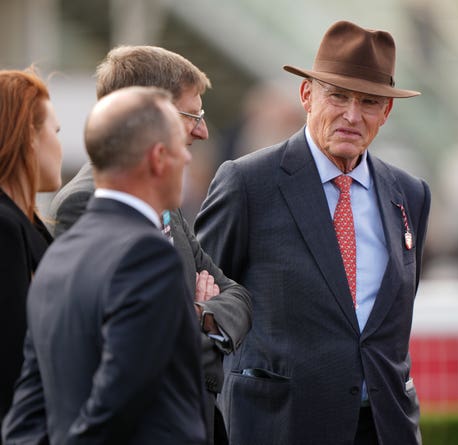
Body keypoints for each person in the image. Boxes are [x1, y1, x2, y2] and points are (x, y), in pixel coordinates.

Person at [195, 20, 430, 445]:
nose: (352, 115)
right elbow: (203, 303)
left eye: (369, 101)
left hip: (384, 427)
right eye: (338, 96)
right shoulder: (247, 183)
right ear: (307, 95)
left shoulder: (410, 194)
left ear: (387, 112)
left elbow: (393, 316)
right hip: (277, 427)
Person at [46, 45, 251, 445]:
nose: (202, 131)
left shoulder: (165, 204)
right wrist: (192, 312)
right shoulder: (84, 204)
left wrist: (202, 314)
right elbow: (122, 342)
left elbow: (237, 295)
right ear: (146, 114)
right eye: (191, 115)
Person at [4, 86, 206, 444]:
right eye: (179, 147)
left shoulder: (57, 255)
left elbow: (26, 410)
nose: (188, 159)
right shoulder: (149, 254)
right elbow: (119, 401)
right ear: (159, 158)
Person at [0, 68, 62, 434]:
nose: (59, 143)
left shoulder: (29, 224)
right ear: (28, 136)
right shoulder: (5, 228)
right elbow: (13, 358)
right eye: (55, 131)